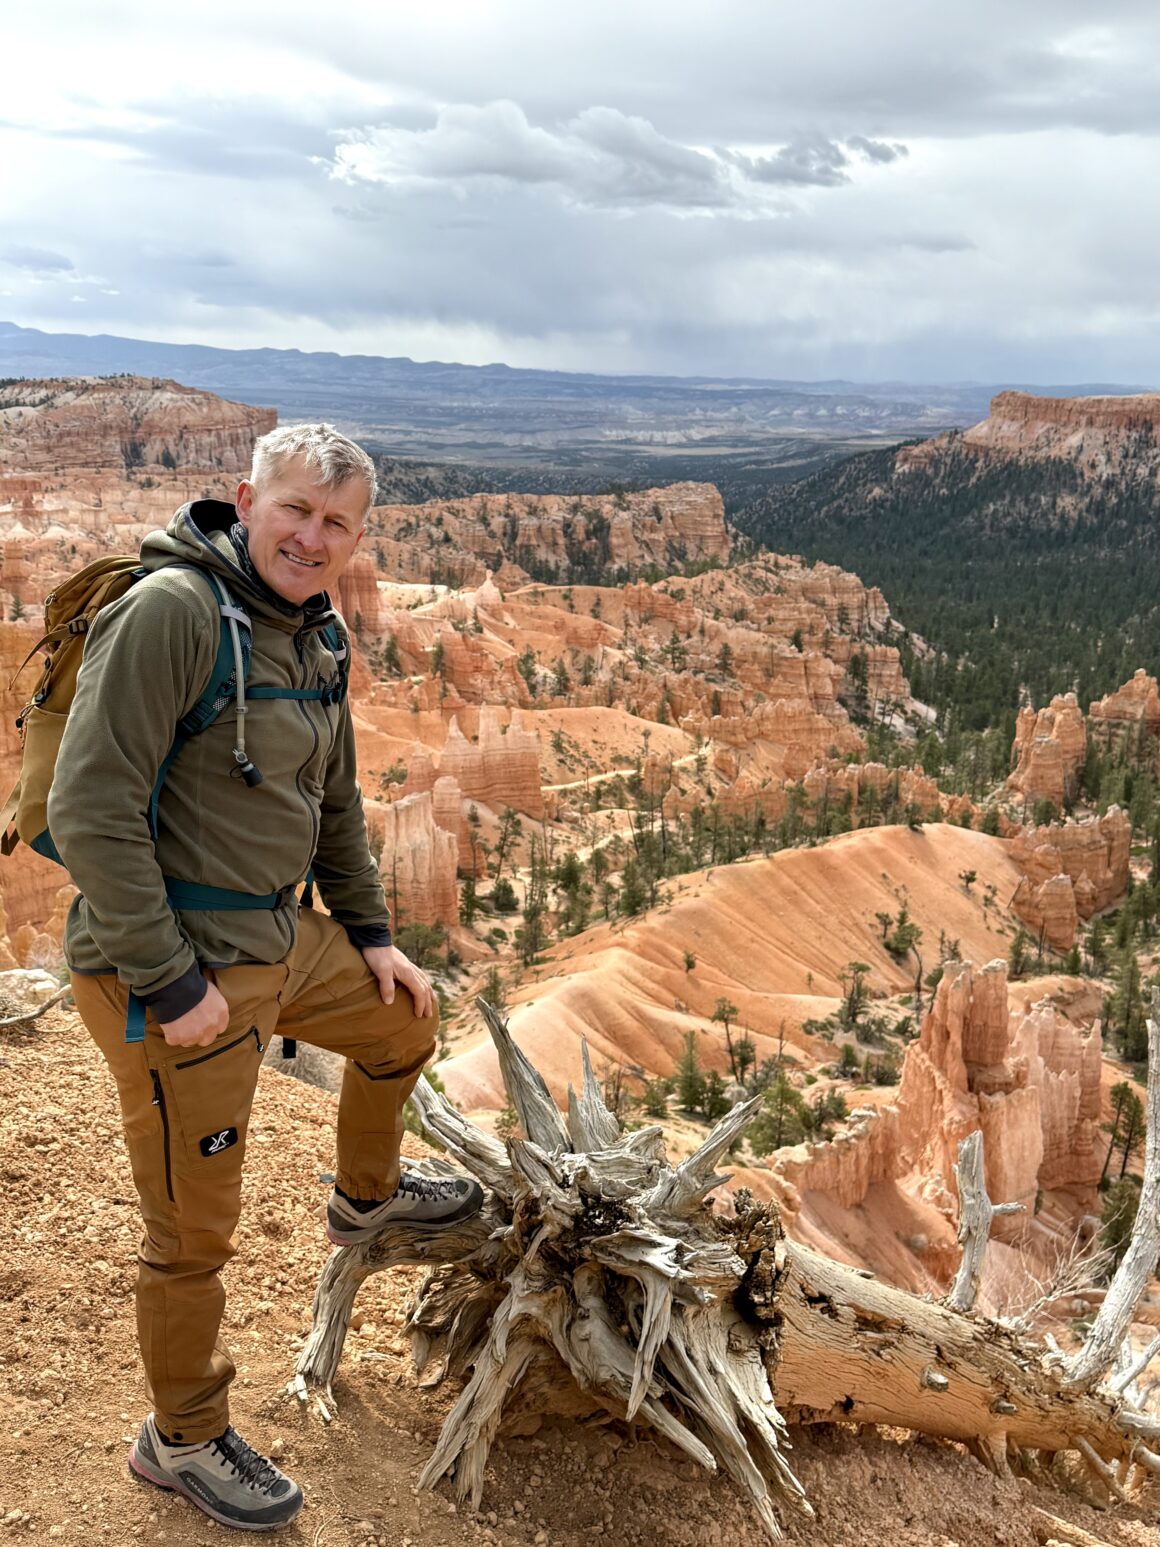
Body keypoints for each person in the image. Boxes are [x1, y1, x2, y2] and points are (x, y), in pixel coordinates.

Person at [49, 423, 482, 1533]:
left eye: (337, 521)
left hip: (278, 942)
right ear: (248, 498)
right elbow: (89, 809)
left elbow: (331, 802)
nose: (311, 535)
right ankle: (181, 1436)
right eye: (295, 509)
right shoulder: (173, 614)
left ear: (356, 535)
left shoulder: (312, 632)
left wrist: (373, 933)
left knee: (401, 1027)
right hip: (173, 968)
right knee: (194, 1232)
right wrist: (171, 981)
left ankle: (366, 1196)